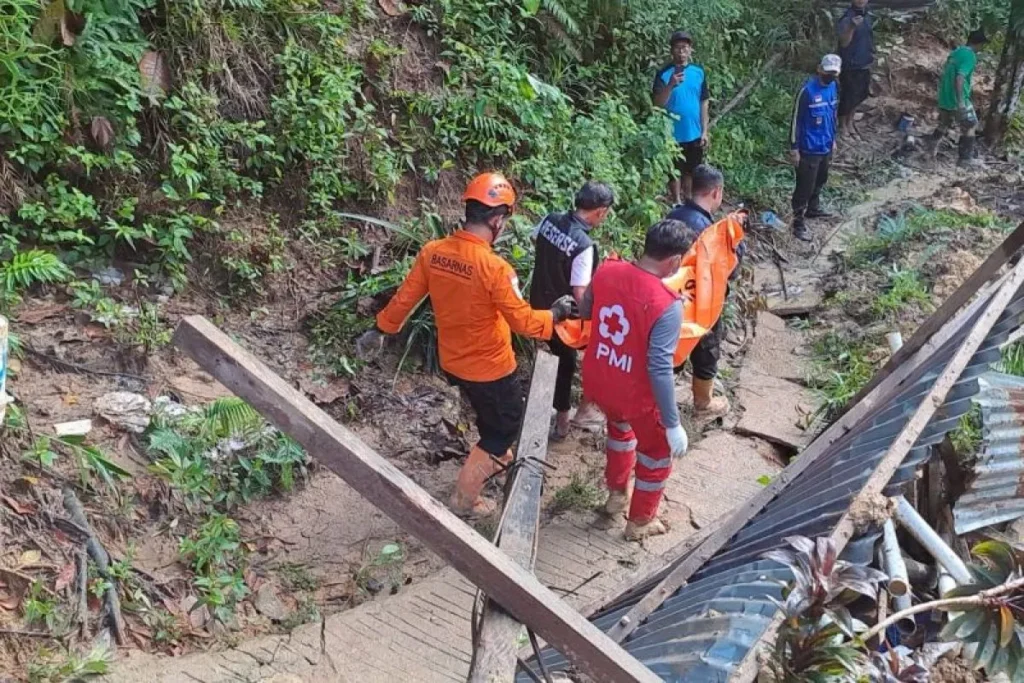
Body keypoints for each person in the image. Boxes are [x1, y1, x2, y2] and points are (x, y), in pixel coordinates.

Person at [356, 173, 575, 517]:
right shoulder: (495, 268)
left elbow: (404, 299)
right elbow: (523, 322)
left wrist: (380, 329)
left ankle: (495, 456)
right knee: (504, 426)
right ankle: (464, 501)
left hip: (453, 362)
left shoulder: (433, 252)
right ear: (497, 220)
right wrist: (555, 314)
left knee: (490, 417)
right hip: (491, 368)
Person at [579, 219, 696, 540]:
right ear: (674, 261)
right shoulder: (666, 304)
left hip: (600, 381)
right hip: (636, 394)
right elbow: (659, 368)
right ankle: (640, 522)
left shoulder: (607, 271)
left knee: (619, 433)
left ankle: (616, 496)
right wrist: (672, 424)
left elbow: (586, 309)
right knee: (656, 453)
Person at [530, 181, 615, 439]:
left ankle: (552, 411)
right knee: (567, 365)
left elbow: (536, 240)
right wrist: (596, 317)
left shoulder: (550, 219)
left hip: (537, 303)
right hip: (563, 317)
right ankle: (565, 424)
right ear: (600, 212)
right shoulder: (583, 245)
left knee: (551, 360)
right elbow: (580, 293)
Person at [667, 164, 730, 418]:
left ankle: (653, 398)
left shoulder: (674, 214)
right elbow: (726, 270)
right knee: (707, 349)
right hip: (699, 300)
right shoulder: (708, 230)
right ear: (716, 192)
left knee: (668, 352)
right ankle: (703, 403)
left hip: (670, 295)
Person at [653, 30, 711, 206]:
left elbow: (704, 102)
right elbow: (657, 104)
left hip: (694, 131)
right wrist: (671, 84)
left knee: (691, 171)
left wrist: (705, 130)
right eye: (677, 48)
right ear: (672, 50)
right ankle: (676, 201)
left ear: (690, 50)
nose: (681, 51)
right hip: (672, 133)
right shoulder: (663, 74)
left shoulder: (698, 72)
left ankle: (688, 200)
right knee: (674, 170)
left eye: (685, 47)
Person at [790, 54, 841, 242]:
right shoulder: (807, 91)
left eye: (834, 73)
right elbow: (795, 120)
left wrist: (833, 139)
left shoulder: (834, 87)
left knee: (821, 179)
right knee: (804, 186)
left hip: (825, 145)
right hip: (808, 148)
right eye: (827, 72)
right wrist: (794, 148)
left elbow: (832, 115)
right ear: (820, 69)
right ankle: (798, 222)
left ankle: (814, 208)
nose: (830, 76)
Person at [929, 30, 988, 167]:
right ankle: (965, 160)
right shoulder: (970, 56)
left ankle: (929, 152)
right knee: (970, 125)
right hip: (958, 99)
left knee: (943, 125)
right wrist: (961, 102)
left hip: (945, 98)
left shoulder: (956, 52)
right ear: (979, 44)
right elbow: (960, 77)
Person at [836, 0, 874, 139]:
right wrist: (852, 26)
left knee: (860, 95)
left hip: (865, 62)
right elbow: (844, 42)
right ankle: (842, 126)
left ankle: (850, 122)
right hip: (850, 64)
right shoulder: (847, 18)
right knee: (848, 96)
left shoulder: (867, 15)